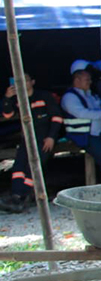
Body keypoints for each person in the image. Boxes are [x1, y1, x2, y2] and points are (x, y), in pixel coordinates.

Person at [0, 74, 64, 213]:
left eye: (26, 80)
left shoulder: (44, 96)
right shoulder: (19, 100)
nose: (22, 83)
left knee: (33, 169)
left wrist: (51, 137)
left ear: (32, 82)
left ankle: (22, 198)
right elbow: (7, 114)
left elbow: (57, 117)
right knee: (18, 167)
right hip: (27, 140)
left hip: (44, 140)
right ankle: (16, 196)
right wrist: (7, 98)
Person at [60, 59, 101, 174]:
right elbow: (83, 113)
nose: (90, 82)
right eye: (87, 80)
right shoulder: (70, 97)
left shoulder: (91, 95)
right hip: (84, 136)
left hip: (99, 134)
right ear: (77, 80)